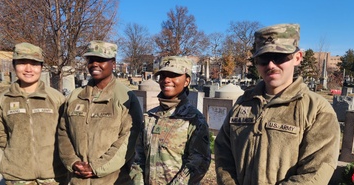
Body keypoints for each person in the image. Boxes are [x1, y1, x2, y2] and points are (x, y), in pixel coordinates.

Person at [215, 24, 340, 185]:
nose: (271, 65)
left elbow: (316, 172)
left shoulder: (317, 110)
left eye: (279, 56)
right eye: (264, 58)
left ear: (297, 57)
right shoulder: (243, 104)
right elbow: (223, 154)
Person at [57, 40, 143, 185]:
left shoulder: (126, 98)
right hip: (77, 179)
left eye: (101, 60)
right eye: (91, 60)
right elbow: (63, 132)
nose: (95, 64)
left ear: (113, 63)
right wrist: (72, 161)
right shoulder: (74, 97)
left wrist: (96, 167)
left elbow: (128, 139)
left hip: (112, 180)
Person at [131, 56, 211, 184]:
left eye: (173, 75)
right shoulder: (149, 117)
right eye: (163, 76)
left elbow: (198, 163)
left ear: (186, 81)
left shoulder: (194, 120)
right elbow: (138, 158)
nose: (166, 80)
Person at [0, 42, 67, 185]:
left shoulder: (56, 98)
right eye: (22, 63)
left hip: (53, 176)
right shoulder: (3, 99)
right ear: (14, 65)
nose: (28, 69)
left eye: (34, 64)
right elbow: (0, 133)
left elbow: (65, 133)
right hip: (17, 176)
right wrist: (16, 151)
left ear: (41, 67)